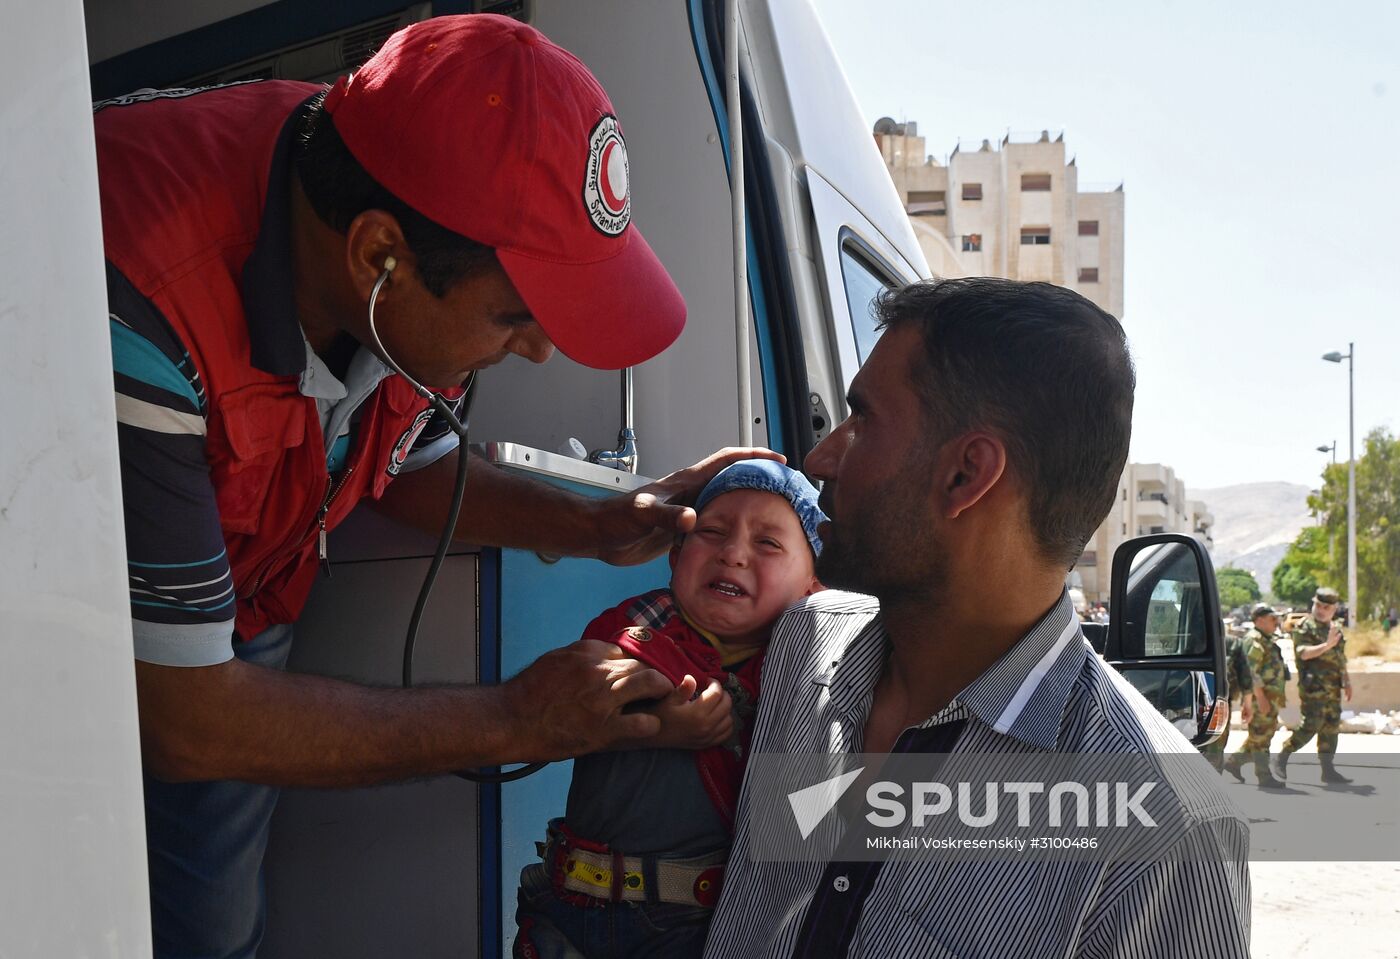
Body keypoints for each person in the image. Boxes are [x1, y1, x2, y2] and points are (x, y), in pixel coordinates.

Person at [96, 15, 773, 958]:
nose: (537, 348)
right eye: (514, 316)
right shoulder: (137, 292)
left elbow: (413, 471)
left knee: (210, 927)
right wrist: (512, 719)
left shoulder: (398, 220)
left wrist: (605, 524)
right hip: (83, 645)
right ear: (378, 257)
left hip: (239, 610)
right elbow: (185, 718)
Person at [703, 278, 1250, 959]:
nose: (821, 458)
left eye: (861, 419)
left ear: (966, 475)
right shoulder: (803, 644)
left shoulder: (1168, 830)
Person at [513, 460, 825, 958]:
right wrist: (656, 724)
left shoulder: (808, 669)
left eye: (768, 543)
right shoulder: (638, 625)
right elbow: (579, 688)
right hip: (566, 911)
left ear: (814, 585)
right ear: (676, 555)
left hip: (693, 929)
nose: (733, 553)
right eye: (712, 532)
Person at [1275, 587, 1353, 784]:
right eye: (1318, 605)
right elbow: (1303, 653)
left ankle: (1328, 770)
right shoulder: (1304, 626)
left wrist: (1347, 680)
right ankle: (1283, 756)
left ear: (1333, 609)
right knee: (1310, 725)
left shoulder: (1335, 629)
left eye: (1325, 607)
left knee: (1331, 727)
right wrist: (1326, 645)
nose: (1320, 610)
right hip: (1313, 688)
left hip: (1333, 688)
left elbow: (1340, 658)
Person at [1223, 605, 1286, 788]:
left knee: (1262, 736)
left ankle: (1234, 763)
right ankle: (1264, 777)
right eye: (1272, 619)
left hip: (1270, 697)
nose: (1276, 623)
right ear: (1260, 620)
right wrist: (1261, 698)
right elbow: (1251, 672)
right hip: (1261, 699)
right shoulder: (1254, 640)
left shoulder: (1266, 639)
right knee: (1261, 739)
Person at [1205, 626, 1254, 774]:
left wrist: (1247, 704)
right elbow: (1245, 677)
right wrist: (1248, 705)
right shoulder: (1233, 643)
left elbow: (1245, 676)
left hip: (1211, 702)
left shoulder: (1186, 639)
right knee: (1215, 749)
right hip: (1219, 703)